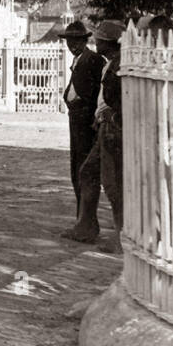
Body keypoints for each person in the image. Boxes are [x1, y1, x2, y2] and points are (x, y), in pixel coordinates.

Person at [63, 20, 125, 246]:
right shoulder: (110, 63)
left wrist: (106, 117)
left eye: (99, 38)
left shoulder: (117, 65)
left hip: (112, 128)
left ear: (108, 42)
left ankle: (121, 237)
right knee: (88, 172)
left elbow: (116, 99)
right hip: (103, 126)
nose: (95, 40)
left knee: (112, 184)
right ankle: (86, 226)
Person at [56, 21, 104, 221]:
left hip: (86, 120)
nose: (72, 45)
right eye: (69, 41)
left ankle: (86, 221)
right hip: (75, 118)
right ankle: (81, 218)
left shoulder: (92, 60)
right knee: (76, 168)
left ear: (85, 41)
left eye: (77, 41)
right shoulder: (78, 60)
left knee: (84, 170)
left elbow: (96, 92)